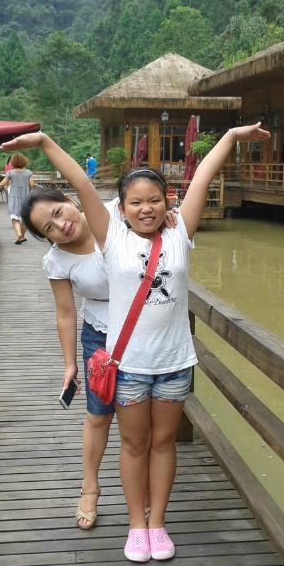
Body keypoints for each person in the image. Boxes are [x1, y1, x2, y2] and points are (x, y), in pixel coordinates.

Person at [2, 122, 269, 562]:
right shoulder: (112, 240)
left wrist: (230, 139)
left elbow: (201, 176)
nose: (146, 209)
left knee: (163, 444)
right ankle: (135, 524)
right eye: (136, 202)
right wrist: (46, 143)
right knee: (134, 445)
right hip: (127, 366)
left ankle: (158, 522)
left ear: (167, 202)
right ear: (120, 208)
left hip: (175, 363)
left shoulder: (181, 232)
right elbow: (81, 183)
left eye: (154, 200)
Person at [18, 189, 176, 530]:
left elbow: (150, 209)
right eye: (49, 228)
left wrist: (169, 217)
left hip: (143, 330)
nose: (62, 225)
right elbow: (65, 313)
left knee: (145, 418)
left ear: (72, 201)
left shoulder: (114, 215)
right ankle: (90, 487)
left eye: (60, 212)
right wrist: (69, 363)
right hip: (101, 338)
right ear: (46, 238)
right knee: (98, 414)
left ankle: (146, 491)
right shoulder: (57, 260)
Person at [0, 152, 34, 244]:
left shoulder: (10, 173)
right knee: (25, 219)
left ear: (13, 162)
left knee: (15, 218)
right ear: (24, 161)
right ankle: (22, 236)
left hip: (14, 198)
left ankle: (18, 234)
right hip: (26, 198)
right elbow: (32, 185)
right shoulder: (28, 172)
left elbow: (3, 183)